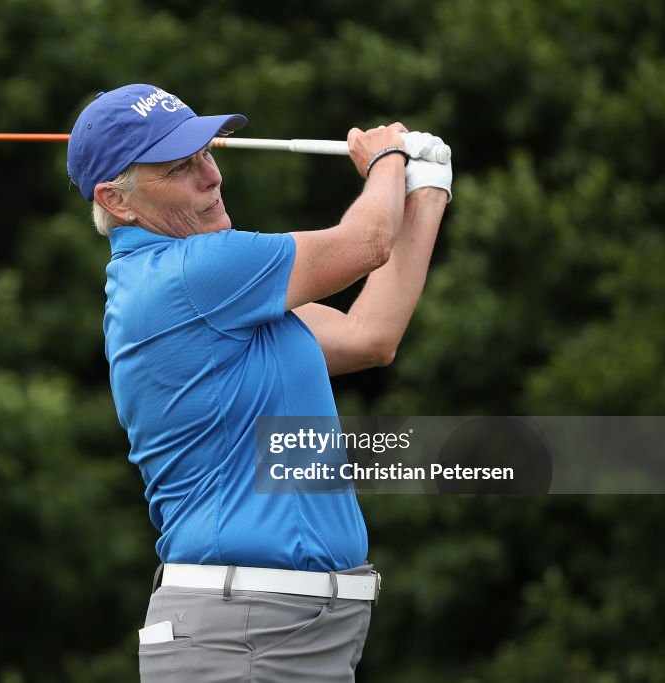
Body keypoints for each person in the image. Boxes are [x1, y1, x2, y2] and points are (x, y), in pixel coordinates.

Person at [67, 84, 451, 683]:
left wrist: (426, 192)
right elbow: (367, 242)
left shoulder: (221, 295)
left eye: (206, 153)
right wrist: (385, 160)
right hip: (244, 634)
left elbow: (369, 336)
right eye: (179, 168)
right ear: (117, 200)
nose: (210, 177)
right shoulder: (192, 277)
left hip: (288, 632)